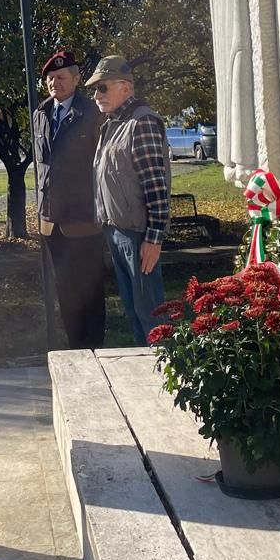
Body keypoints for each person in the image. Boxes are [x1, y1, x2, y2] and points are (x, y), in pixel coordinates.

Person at [87, 55, 170, 345]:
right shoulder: (113, 123)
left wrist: (154, 238)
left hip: (138, 235)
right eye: (95, 89)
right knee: (135, 311)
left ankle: (163, 366)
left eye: (103, 88)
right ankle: (145, 366)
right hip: (116, 231)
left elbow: (156, 185)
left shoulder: (141, 122)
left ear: (125, 87)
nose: (97, 95)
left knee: (151, 315)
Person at [31, 48, 108, 350]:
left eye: (61, 77)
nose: (55, 83)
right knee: (65, 291)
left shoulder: (92, 114)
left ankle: (94, 349)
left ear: (76, 79)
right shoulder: (41, 114)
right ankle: (76, 349)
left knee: (90, 290)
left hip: (84, 220)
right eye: (50, 78)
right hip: (51, 222)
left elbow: (102, 166)